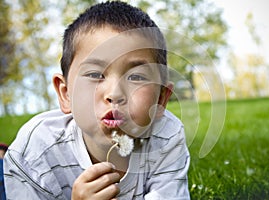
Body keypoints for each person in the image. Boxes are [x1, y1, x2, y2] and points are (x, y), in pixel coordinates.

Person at [4, 1, 190, 199]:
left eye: (136, 77)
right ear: (66, 94)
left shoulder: (167, 136)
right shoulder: (33, 152)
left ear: (160, 99)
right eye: (94, 74)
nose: (115, 93)